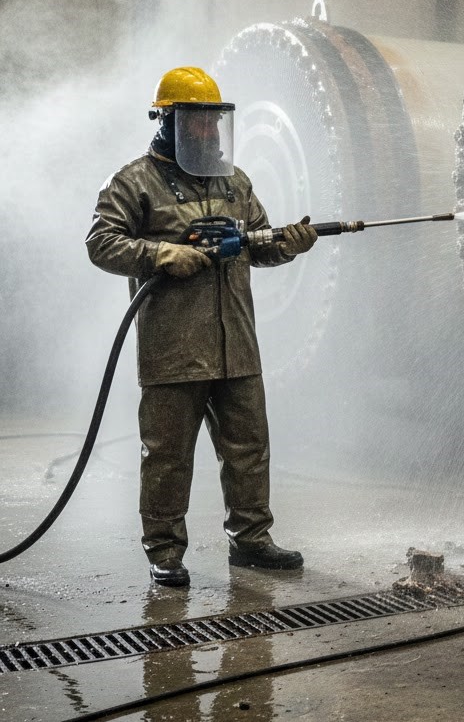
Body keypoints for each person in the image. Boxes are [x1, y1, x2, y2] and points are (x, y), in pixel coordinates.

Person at [86, 66, 318, 587]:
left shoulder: (234, 181)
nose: (209, 132)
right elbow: (100, 244)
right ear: (167, 120)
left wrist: (289, 241)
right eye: (197, 121)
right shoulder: (133, 182)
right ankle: (165, 551)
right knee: (168, 457)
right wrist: (160, 252)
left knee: (249, 446)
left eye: (214, 121)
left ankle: (252, 541)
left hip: (236, 344)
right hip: (173, 351)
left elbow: (260, 241)